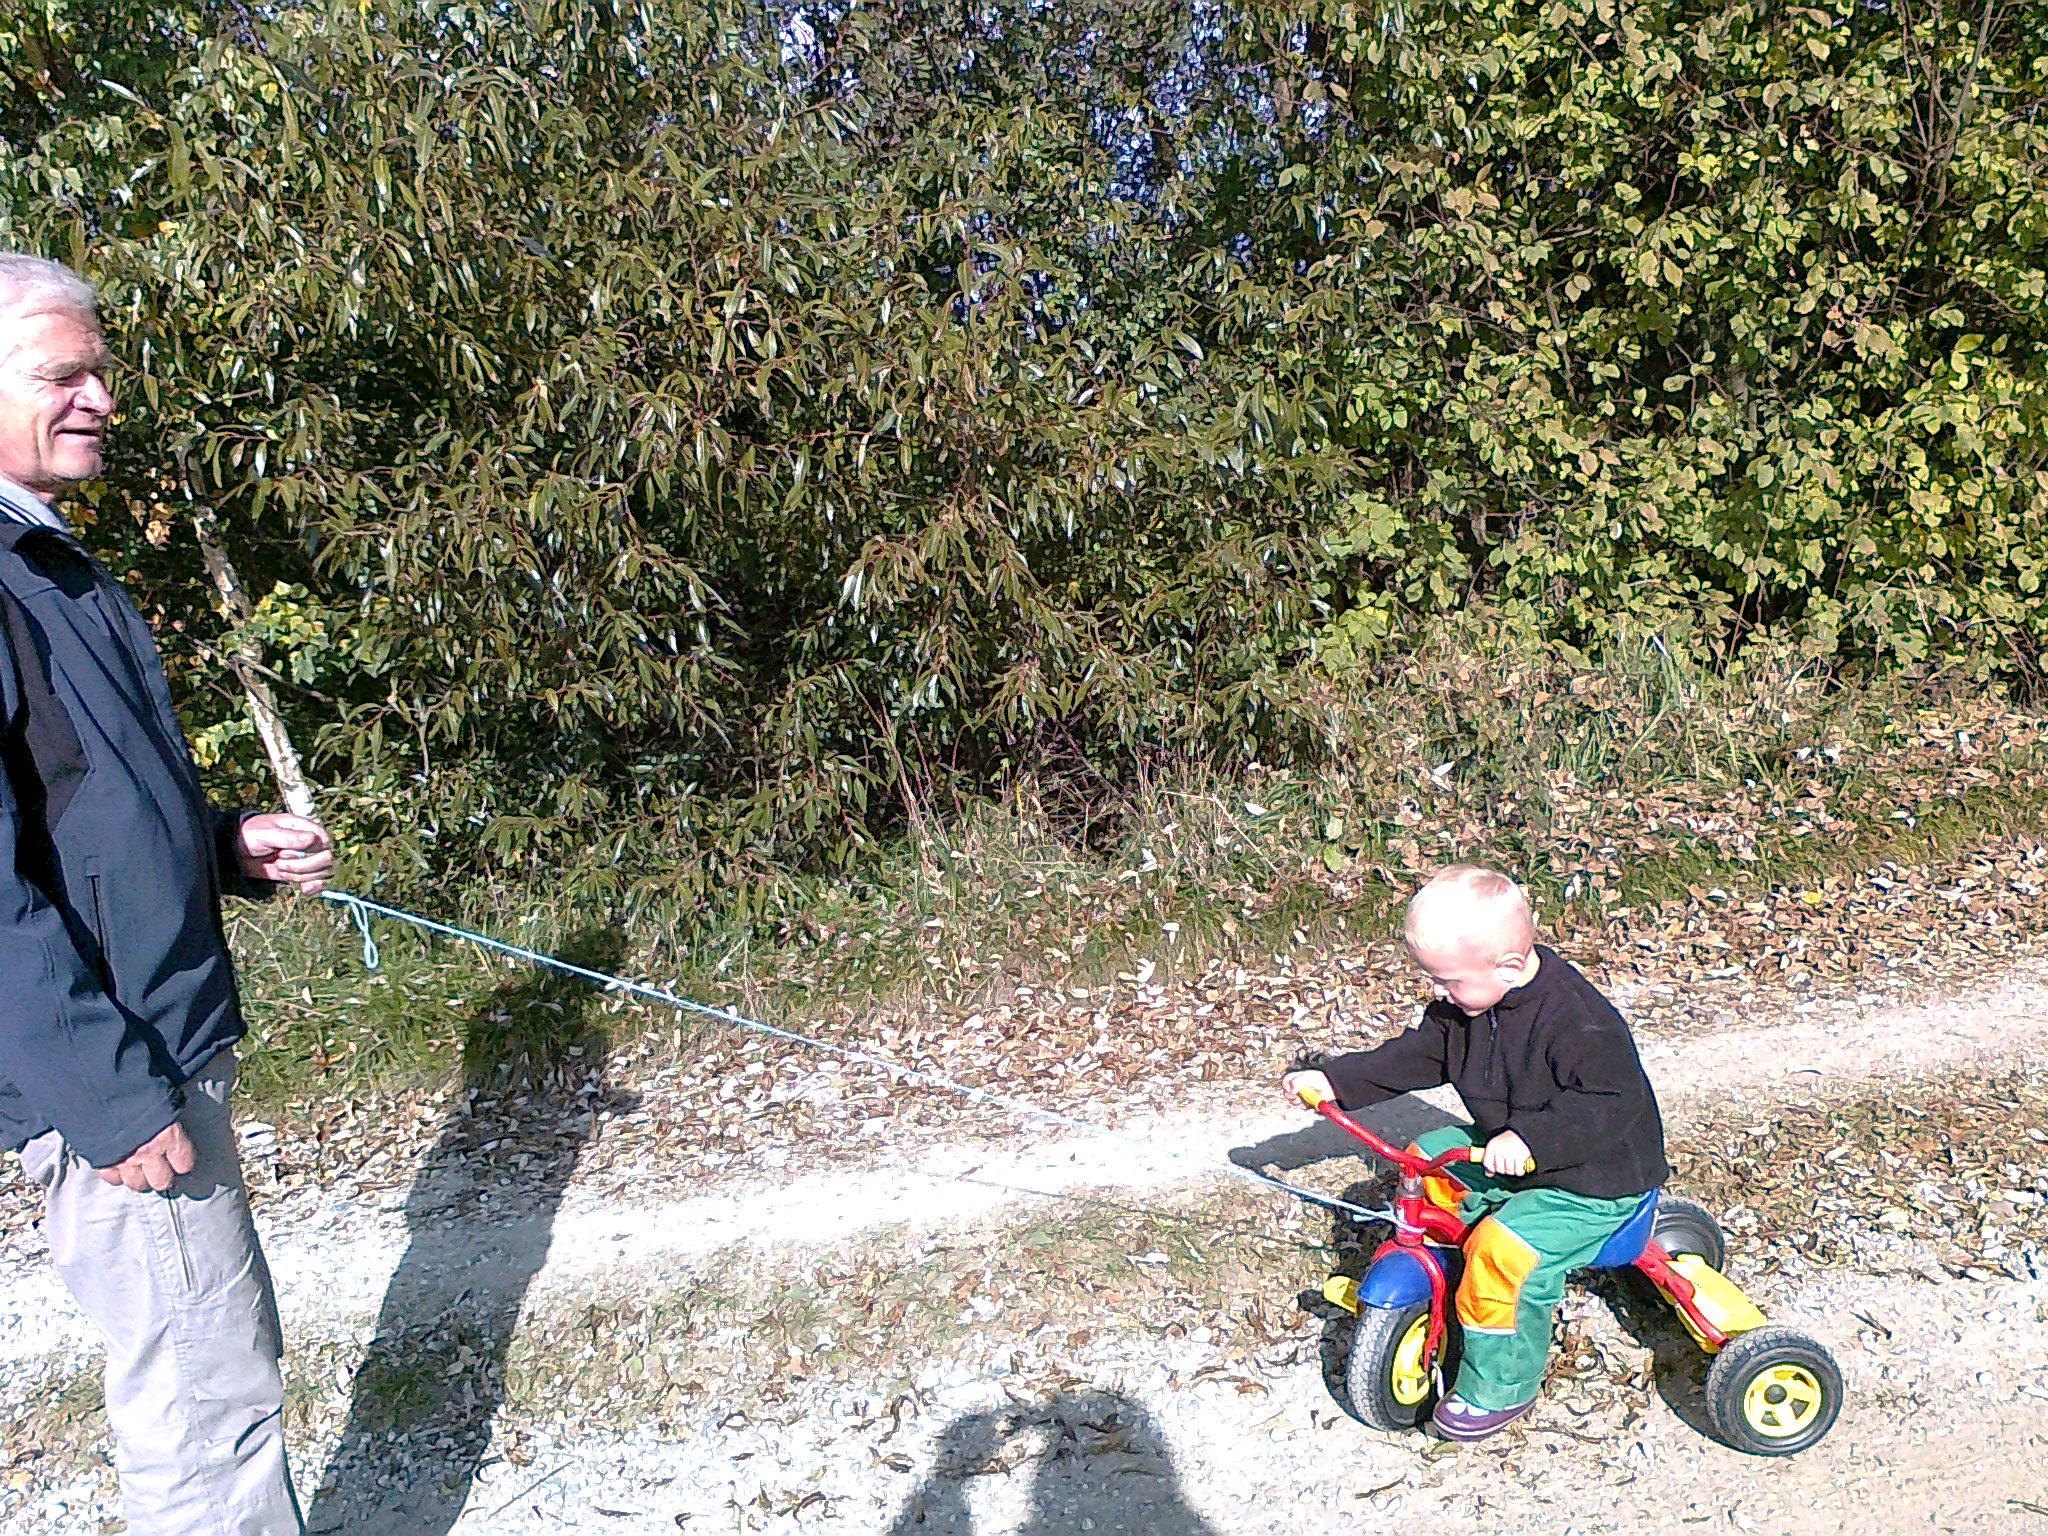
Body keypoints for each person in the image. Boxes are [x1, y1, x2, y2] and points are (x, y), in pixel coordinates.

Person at [0, 251, 333, 1534]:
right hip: (118, 1062)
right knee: (205, 1399)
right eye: (62, 376)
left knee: (217, 1364)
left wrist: (222, 845)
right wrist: (111, 1098)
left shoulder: (44, 556)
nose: (99, 399)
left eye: (98, 372)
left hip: (153, 1032)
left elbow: (81, 801)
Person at [1283, 863, 1668, 1441]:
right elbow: (1416, 1056)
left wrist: (1532, 1140)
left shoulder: (1580, 1024)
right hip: (1512, 1153)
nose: (1439, 992)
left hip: (1595, 1182)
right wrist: (1337, 1080)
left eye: (1449, 980)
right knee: (1425, 1157)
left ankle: (1500, 1386)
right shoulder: (1468, 1006)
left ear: (1508, 966)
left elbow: (1609, 1105)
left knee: (1502, 1254)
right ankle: (1446, 1271)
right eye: (1433, 978)